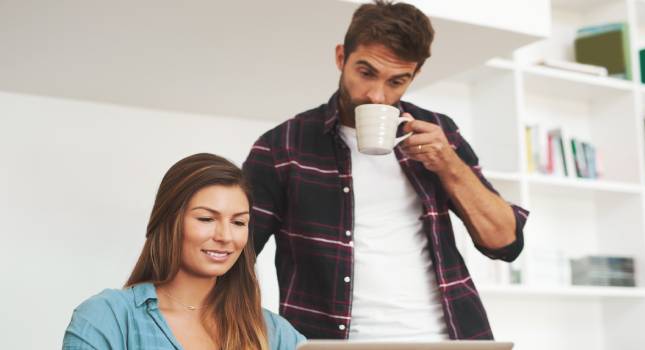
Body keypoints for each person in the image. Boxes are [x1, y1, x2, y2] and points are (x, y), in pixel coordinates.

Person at [243, 0, 529, 341]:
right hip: (332, 344)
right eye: (366, 72)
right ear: (341, 57)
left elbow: (506, 243)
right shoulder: (282, 146)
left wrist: (448, 164)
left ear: (415, 75)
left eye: (397, 81)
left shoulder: (440, 132)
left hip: (448, 339)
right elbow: (233, 256)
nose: (377, 95)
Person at [63, 153, 305, 350]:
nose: (225, 236)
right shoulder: (108, 318)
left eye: (239, 222)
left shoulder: (273, 334)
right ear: (168, 222)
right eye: (206, 218)